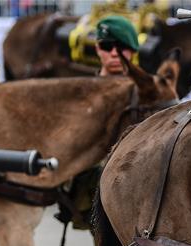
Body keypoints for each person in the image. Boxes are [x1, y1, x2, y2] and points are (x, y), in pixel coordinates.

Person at [59, 15, 141, 234]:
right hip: (94, 196)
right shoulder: (83, 93)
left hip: (140, 193)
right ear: (97, 49)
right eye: (107, 46)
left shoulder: (147, 92)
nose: (114, 53)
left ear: (133, 49)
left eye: (121, 47)